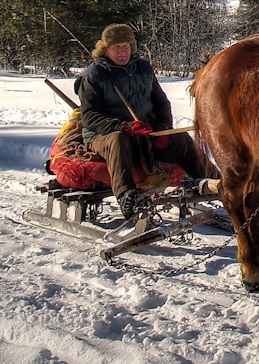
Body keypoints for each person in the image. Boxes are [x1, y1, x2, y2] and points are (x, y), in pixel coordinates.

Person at [75, 23, 206, 218]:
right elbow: (90, 117)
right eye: (116, 48)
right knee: (118, 139)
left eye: (126, 46)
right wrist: (124, 126)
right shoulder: (93, 77)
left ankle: (214, 182)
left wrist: (163, 126)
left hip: (146, 132)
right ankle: (127, 197)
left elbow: (161, 101)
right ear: (106, 50)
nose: (122, 52)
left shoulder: (143, 68)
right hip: (105, 136)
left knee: (179, 137)